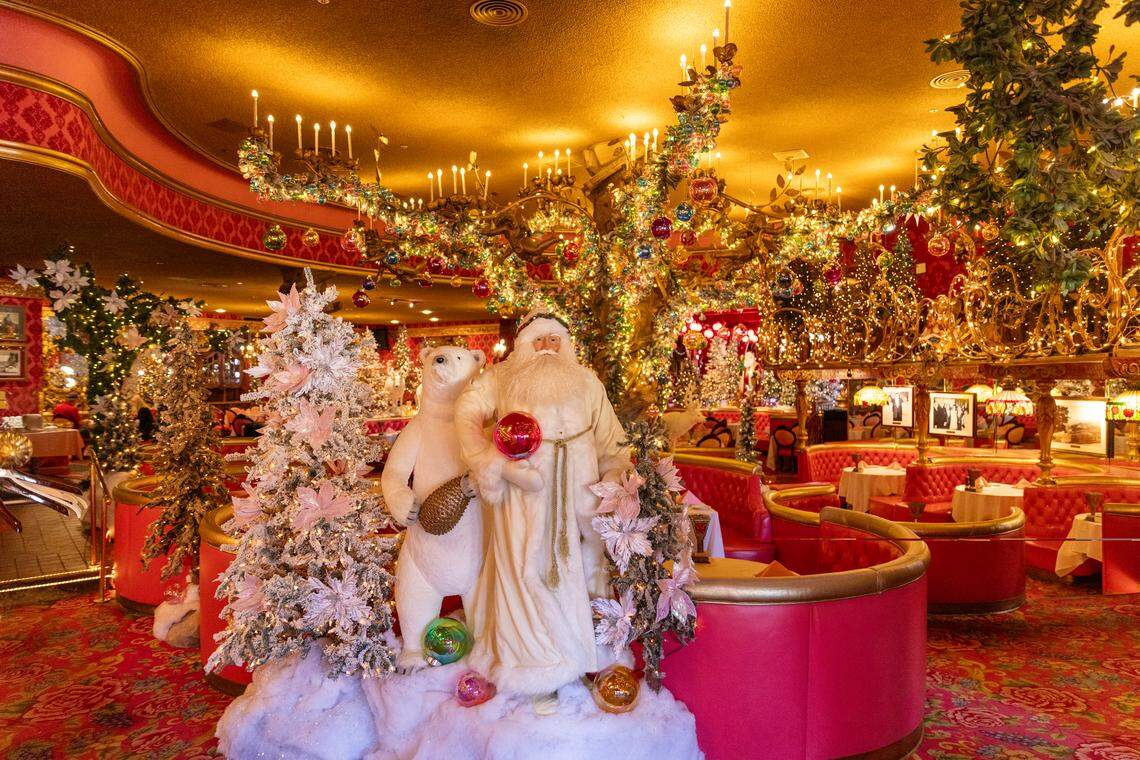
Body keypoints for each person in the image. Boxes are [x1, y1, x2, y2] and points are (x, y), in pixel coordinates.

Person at [454, 309, 631, 697]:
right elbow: (467, 411)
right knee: (524, 568)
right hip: (523, 497)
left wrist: (615, 476)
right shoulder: (501, 378)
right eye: (538, 340)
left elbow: (613, 443)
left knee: (585, 569)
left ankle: (589, 655)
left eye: (554, 340)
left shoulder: (587, 382)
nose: (547, 347)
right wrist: (487, 459)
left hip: (582, 497)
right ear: (523, 345)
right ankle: (532, 665)